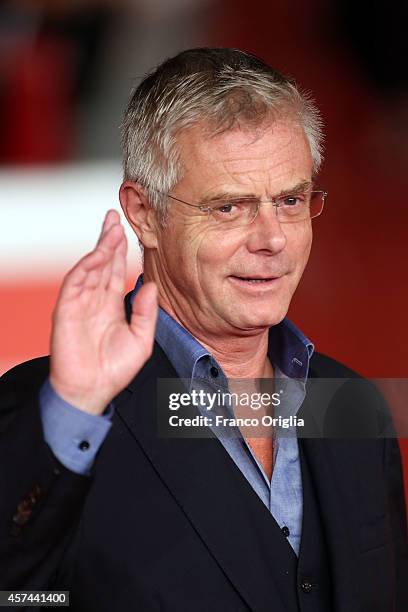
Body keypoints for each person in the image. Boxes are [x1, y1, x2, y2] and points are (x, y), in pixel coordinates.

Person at [1, 48, 407, 611]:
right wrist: (74, 410)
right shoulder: (51, 416)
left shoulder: (353, 408)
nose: (272, 239)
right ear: (143, 213)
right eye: (229, 208)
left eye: (290, 200)